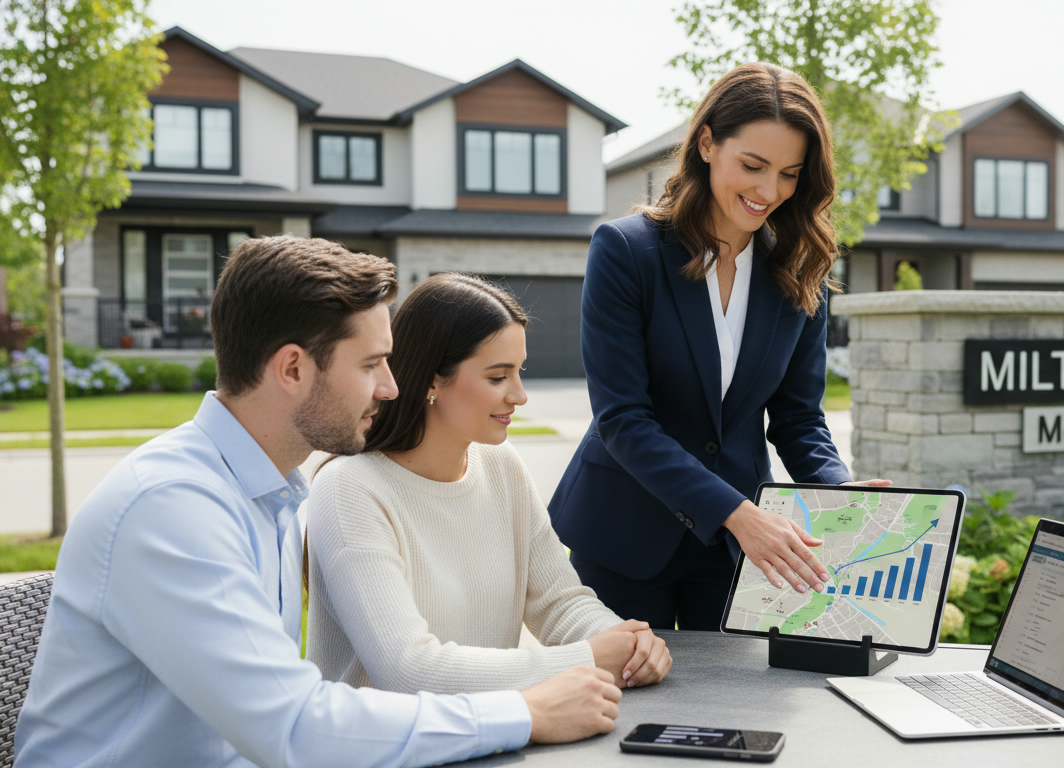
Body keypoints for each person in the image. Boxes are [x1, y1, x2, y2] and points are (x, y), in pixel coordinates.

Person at [15, 237, 623, 768]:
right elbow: (295, 727)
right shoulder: (172, 509)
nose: (391, 387)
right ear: (292, 369)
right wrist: (524, 712)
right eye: (372, 364)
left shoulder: (269, 492)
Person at [548, 62, 889, 631]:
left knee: (738, 687)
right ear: (707, 143)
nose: (768, 192)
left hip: (735, 552)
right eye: (752, 166)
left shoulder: (800, 269)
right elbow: (623, 419)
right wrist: (736, 512)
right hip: (626, 533)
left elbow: (799, 419)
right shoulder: (626, 251)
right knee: (631, 686)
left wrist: (838, 489)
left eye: (789, 174)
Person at [305, 273, 671, 697]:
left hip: (494, 730)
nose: (519, 395)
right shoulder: (350, 489)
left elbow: (559, 602)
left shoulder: (501, 466)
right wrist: (588, 658)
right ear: (430, 379)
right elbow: (408, 671)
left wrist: (628, 644)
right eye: (498, 377)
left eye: (519, 372)